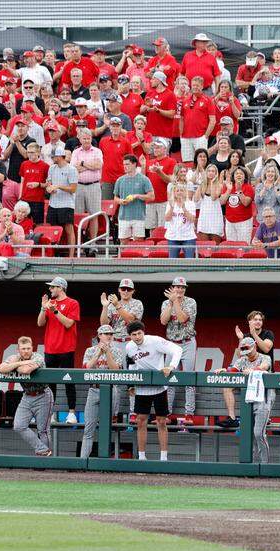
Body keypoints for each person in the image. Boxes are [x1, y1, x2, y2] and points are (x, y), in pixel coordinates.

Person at [124, 321, 181, 461]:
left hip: (159, 386)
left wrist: (171, 366)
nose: (137, 337)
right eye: (133, 334)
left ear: (144, 332)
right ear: (129, 336)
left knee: (161, 421)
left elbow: (177, 349)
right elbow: (132, 365)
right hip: (142, 388)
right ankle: (142, 457)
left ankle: (163, 458)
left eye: (139, 333)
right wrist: (130, 385)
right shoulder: (129, 347)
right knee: (140, 421)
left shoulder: (155, 341)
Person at [215, 336, 273, 461]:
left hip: (263, 397)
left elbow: (264, 366)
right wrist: (225, 370)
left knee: (258, 434)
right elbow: (233, 371)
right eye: (244, 350)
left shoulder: (265, 357)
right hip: (249, 399)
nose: (247, 353)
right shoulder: (242, 360)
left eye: (248, 349)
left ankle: (265, 465)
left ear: (255, 347)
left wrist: (252, 370)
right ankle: (250, 465)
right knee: (248, 434)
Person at [219, 311, 275, 428]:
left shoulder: (268, 334)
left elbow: (265, 348)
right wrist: (241, 339)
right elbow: (240, 356)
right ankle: (232, 418)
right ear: (250, 322)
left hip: (263, 376)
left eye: (260, 320)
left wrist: (253, 334)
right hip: (246, 375)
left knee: (265, 391)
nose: (258, 322)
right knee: (227, 386)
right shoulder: (245, 337)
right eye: (255, 319)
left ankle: (265, 417)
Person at [0, 336, 51, 456]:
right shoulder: (15, 357)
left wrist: (16, 365)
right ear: (18, 349)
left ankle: (44, 460)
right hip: (27, 396)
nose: (26, 351)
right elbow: (1, 368)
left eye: (28, 348)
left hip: (43, 395)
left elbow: (26, 370)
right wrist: (21, 362)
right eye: (23, 348)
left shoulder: (37, 357)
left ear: (32, 348)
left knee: (42, 430)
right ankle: (43, 450)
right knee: (19, 426)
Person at [37, 277, 80, 422]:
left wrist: (55, 311)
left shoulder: (72, 303)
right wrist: (44, 308)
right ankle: (52, 414)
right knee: (50, 383)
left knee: (69, 381)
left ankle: (71, 413)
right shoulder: (50, 303)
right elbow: (40, 323)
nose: (50, 289)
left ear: (60, 288)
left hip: (66, 348)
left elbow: (68, 324)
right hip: (50, 348)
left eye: (52, 287)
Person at [79, 325, 125, 459]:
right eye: (105, 334)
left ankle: (105, 462)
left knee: (107, 428)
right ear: (99, 335)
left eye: (111, 334)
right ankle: (83, 461)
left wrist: (108, 353)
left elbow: (116, 370)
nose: (109, 336)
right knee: (89, 429)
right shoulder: (90, 350)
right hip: (94, 389)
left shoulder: (116, 351)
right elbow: (86, 369)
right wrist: (98, 353)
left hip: (111, 390)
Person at [160, 277, 198, 421]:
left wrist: (175, 301)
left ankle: (189, 414)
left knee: (189, 378)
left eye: (183, 287)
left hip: (187, 342)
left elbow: (182, 319)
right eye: (177, 287)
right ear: (172, 288)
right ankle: (167, 413)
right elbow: (163, 321)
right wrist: (170, 303)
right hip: (171, 343)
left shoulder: (190, 302)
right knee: (169, 378)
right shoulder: (166, 302)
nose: (180, 289)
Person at [114, 156, 153, 242]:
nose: (125, 166)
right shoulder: (120, 180)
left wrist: (137, 196)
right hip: (123, 216)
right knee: (123, 242)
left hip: (139, 216)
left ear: (134, 164)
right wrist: (120, 201)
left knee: (139, 242)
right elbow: (115, 197)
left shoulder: (144, 179)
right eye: (124, 164)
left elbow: (151, 196)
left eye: (127, 164)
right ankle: (123, 255)